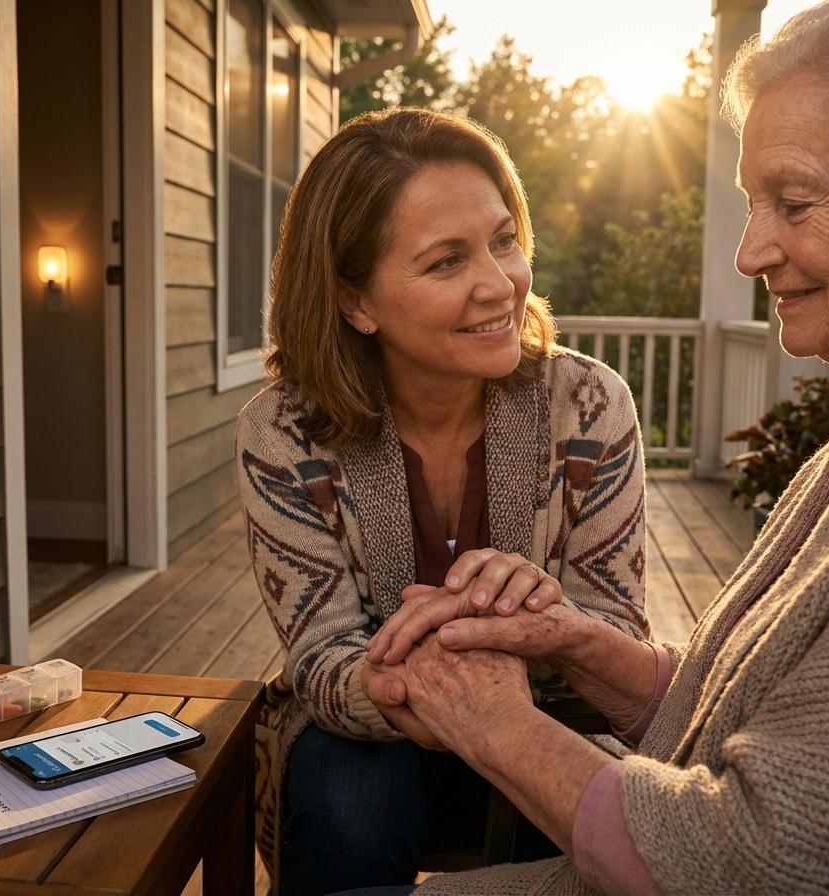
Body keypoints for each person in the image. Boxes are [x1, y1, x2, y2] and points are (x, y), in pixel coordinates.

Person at [363, 0, 829, 893]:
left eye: (796, 201)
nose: (750, 253)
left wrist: (495, 722)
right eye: (753, 205)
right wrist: (580, 642)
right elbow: (769, 718)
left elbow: (759, 860)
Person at [235, 108, 651, 895]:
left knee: (578, 809)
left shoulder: (590, 404)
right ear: (355, 301)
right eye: (445, 262)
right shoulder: (283, 431)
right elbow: (321, 658)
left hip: (555, 716)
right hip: (374, 728)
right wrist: (412, 691)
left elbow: (620, 638)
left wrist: (546, 623)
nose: (500, 285)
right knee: (350, 801)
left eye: (503, 240)